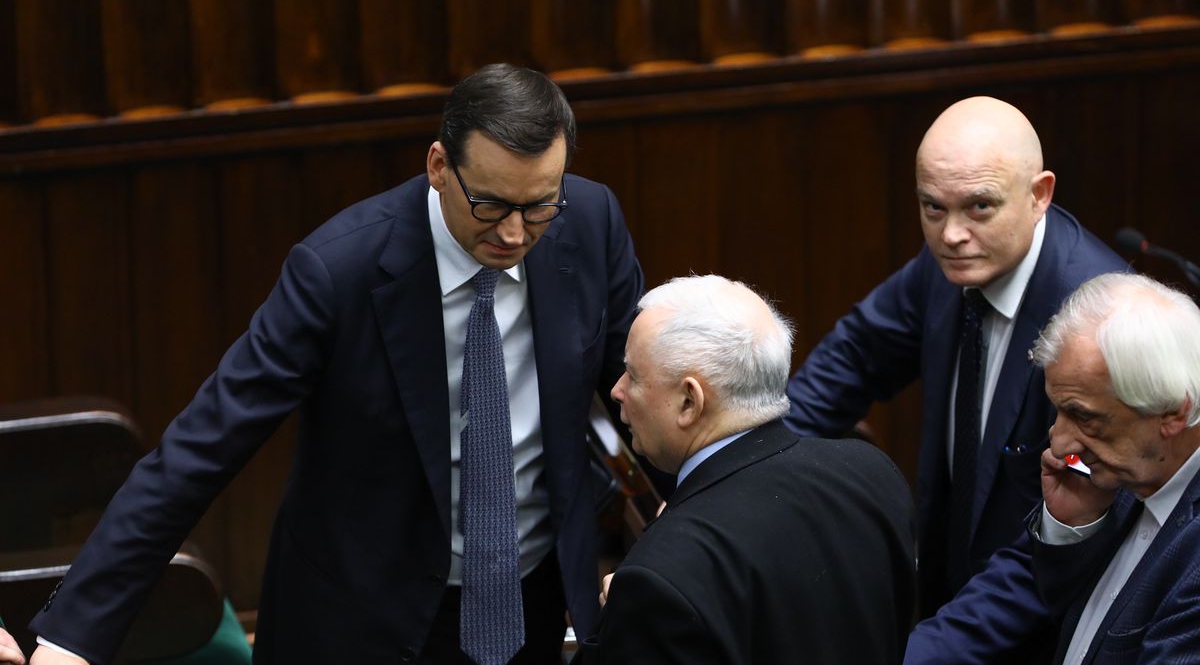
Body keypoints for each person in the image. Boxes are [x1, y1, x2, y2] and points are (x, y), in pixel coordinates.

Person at [27, 64, 643, 664]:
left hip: (531, 600)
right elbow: (201, 446)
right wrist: (72, 635)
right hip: (362, 618)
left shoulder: (590, 223)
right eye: (490, 204)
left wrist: (684, 527)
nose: (513, 233)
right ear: (438, 167)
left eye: (538, 207)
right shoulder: (337, 272)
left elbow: (644, 389)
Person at [784, 96, 1127, 616]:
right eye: (933, 208)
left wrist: (938, 644)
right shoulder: (951, 263)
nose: (950, 235)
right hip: (945, 589)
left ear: (1039, 195)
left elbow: (1068, 536)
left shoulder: (1099, 316)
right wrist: (748, 475)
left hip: (1035, 617)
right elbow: (849, 362)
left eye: (980, 207)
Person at [576, 275, 916, 664]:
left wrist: (624, 620)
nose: (617, 390)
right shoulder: (874, 476)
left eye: (633, 376)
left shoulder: (658, 578)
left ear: (689, 401)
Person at [906, 272, 1200, 664]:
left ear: (1173, 412)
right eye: (1058, 411)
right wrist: (1069, 530)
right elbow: (1029, 592)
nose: (1058, 443)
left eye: (1085, 418)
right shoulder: (1124, 472)